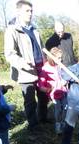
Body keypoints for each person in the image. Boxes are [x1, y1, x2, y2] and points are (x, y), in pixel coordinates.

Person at [4, 0, 48, 131]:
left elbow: (42, 49)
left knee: (43, 96)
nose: (30, 14)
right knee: (30, 100)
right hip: (25, 71)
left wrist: (47, 62)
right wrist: (23, 63)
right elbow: (10, 54)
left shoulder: (35, 30)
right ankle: (33, 126)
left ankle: (43, 118)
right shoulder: (12, 30)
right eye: (27, 11)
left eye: (31, 11)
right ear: (18, 12)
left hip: (40, 69)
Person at [37, 47, 67, 134]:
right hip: (55, 93)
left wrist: (65, 80)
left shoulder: (60, 66)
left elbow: (65, 75)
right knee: (58, 109)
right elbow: (41, 84)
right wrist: (47, 89)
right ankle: (58, 125)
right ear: (52, 57)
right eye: (58, 58)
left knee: (65, 107)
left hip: (63, 90)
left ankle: (63, 123)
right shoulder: (46, 68)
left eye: (61, 58)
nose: (60, 60)